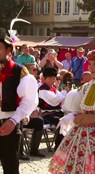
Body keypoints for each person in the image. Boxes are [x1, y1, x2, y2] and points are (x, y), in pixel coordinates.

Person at [0, 28, 38, 173]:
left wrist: (13, 120)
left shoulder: (20, 72)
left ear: (9, 49)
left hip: (9, 124)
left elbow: (29, 101)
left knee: (10, 166)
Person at [38, 67, 70, 150]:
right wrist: (65, 91)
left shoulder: (52, 88)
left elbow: (60, 97)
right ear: (46, 78)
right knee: (62, 121)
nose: (54, 80)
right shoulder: (42, 90)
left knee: (69, 119)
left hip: (55, 113)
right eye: (52, 78)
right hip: (46, 115)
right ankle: (58, 146)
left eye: (54, 78)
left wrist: (65, 92)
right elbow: (55, 100)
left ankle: (64, 144)